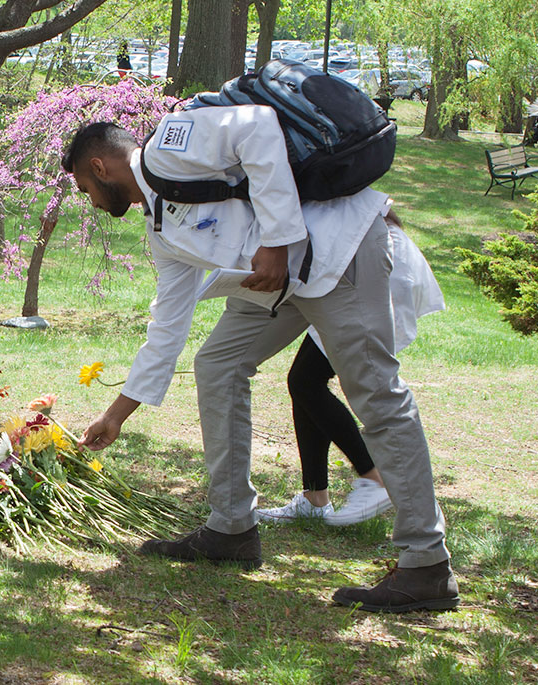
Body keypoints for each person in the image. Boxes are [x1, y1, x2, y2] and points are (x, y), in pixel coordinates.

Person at [64, 105, 457, 613]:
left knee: (375, 393)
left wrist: (275, 241)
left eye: (85, 189)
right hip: (280, 281)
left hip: (337, 253)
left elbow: (257, 126)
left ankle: (426, 564)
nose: (91, 202)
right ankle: (231, 529)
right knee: (218, 364)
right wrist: (115, 416)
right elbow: (166, 330)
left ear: (99, 168)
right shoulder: (160, 229)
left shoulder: (170, 144)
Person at [256, 204, 445, 526]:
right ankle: (315, 498)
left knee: (310, 382)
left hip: (371, 275)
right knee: (304, 382)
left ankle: (374, 476)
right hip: (349, 271)